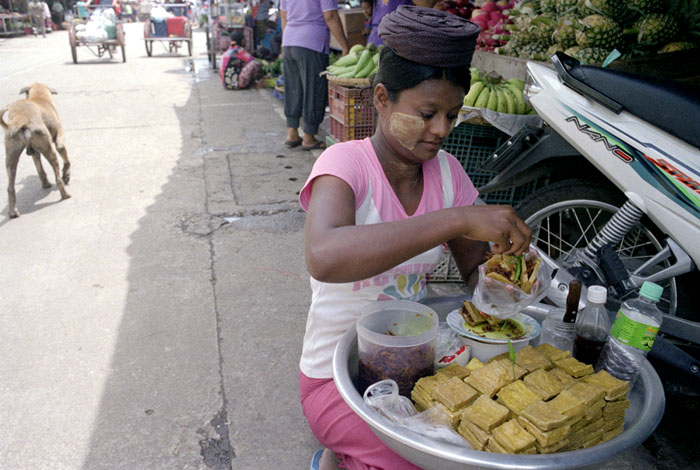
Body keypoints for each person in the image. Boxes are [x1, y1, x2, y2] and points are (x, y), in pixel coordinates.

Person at [297, 6, 532, 470]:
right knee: (419, 462)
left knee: (487, 442)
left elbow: (476, 274)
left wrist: (509, 277)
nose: (442, 129)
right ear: (382, 99)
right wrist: (453, 220)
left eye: (452, 113)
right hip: (337, 375)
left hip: (416, 367)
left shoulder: (449, 174)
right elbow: (324, 256)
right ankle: (338, 455)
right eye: (426, 113)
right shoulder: (345, 166)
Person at [279, 0, 349, 151]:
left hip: (289, 41)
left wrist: (285, 44)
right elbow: (330, 15)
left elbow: (284, 16)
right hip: (311, 41)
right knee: (313, 90)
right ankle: (309, 137)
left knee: (293, 88)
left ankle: (292, 133)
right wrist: (345, 46)